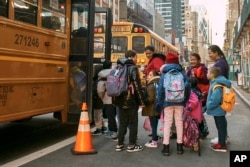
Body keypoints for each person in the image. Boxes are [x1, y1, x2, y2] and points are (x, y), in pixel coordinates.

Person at [157, 52, 190, 156]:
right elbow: (187, 86)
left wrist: (160, 102)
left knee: (167, 123)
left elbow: (160, 89)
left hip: (167, 101)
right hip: (180, 100)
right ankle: (179, 146)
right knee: (179, 123)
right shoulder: (182, 72)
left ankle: (166, 147)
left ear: (167, 61)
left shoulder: (164, 73)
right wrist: (184, 100)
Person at [113, 50, 145, 152]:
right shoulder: (133, 68)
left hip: (119, 100)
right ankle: (132, 145)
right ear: (132, 57)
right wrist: (141, 101)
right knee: (133, 123)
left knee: (122, 123)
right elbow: (136, 86)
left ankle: (120, 144)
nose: (137, 59)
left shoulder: (118, 67)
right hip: (131, 100)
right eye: (136, 57)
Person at [208, 45, 230, 144]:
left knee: (219, 120)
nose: (209, 55)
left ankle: (222, 140)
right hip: (222, 94)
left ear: (216, 52)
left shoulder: (219, 64)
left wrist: (209, 104)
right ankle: (224, 137)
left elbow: (218, 79)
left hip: (219, 96)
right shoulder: (221, 62)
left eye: (210, 53)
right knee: (221, 119)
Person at [206, 67, 230, 152]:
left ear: (212, 75)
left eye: (208, 73)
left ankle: (222, 145)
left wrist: (208, 105)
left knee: (220, 127)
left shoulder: (216, 85)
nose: (207, 74)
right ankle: (221, 141)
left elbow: (216, 99)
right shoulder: (217, 82)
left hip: (218, 110)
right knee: (221, 126)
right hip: (219, 110)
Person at [186, 53, 210, 138]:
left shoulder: (203, 68)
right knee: (194, 114)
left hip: (201, 94)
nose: (192, 61)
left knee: (199, 113)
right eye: (191, 59)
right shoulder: (190, 69)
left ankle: (201, 131)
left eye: (194, 59)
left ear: (199, 60)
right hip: (191, 94)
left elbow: (207, 80)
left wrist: (197, 77)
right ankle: (196, 131)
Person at [97, 60, 118, 140]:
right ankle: (114, 130)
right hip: (116, 97)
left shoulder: (102, 76)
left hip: (107, 98)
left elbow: (100, 90)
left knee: (110, 116)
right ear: (110, 66)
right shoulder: (115, 73)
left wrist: (102, 97)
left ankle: (113, 131)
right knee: (115, 115)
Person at [142, 70, 160, 148]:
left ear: (153, 76)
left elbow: (150, 98)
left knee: (154, 125)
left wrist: (143, 102)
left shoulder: (151, 85)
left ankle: (154, 141)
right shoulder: (159, 83)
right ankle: (155, 139)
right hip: (158, 107)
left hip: (152, 108)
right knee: (156, 124)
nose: (148, 76)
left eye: (150, 74)